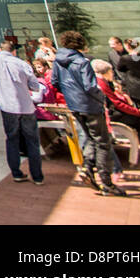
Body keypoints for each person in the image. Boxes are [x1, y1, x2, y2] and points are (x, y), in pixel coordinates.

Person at [53, 31, 125, 196]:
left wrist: (71, 95)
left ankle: (87, 169)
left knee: (90, 139)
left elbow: (55, 82)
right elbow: (90, 87)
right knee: (102, 143)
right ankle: (106, 182)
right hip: (90, 105)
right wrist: (102, 98)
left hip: (74, 105)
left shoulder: (58, 61)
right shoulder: (82, 62)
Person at [0, 39, 44, 185]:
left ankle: (16, 173)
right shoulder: (21, 63)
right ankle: (38, 176)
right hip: (26, 106)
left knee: (12, 139)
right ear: (13, 51)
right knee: (32, 141)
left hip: (7, 106)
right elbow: (35, 85)